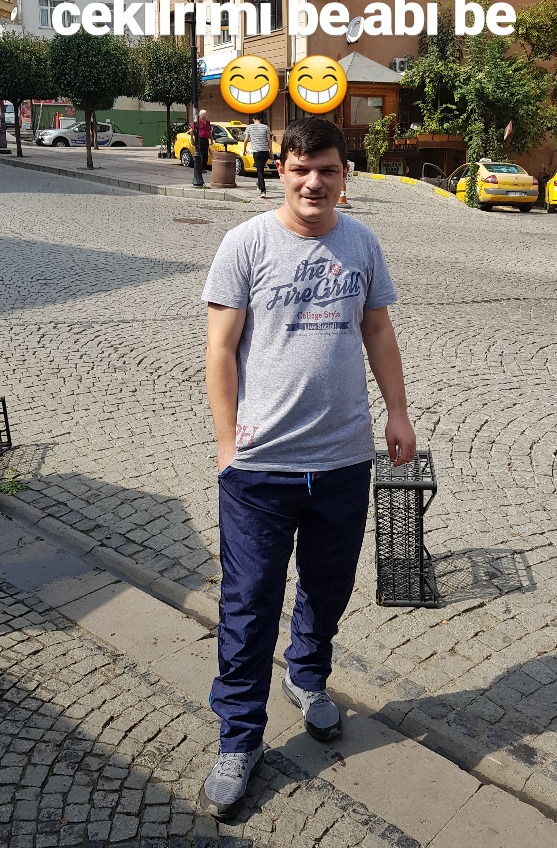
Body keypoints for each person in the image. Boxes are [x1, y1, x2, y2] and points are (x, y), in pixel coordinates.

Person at [200, 117, 416, 818]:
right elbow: (220, 348)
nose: (313, 182)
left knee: (327, 588)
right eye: (301, 169)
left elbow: (377, 328)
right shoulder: (245, 244)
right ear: (281, 171)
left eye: (326, 169)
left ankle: (307, 675)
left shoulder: (362, 243)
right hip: (260, 470)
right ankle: (239, 738)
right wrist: (227, 446)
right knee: (249, 604)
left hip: (343, 460)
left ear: (344, 175)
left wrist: (397, 413)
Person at [243, 113, 273, 196]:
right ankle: (259, 184)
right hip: (265, 152)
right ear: (261, 119)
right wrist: (271, 152)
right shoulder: (265, 127)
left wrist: (244, 150)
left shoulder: (249, 127)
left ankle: (263, 190)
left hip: (257, 152)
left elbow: (246, 140)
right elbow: (269, 140)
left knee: (260, 171)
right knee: (261, 169)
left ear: (253, 119)